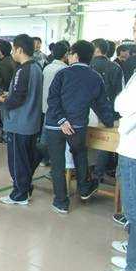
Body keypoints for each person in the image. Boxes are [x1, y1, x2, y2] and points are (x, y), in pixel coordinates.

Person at [46, 40, 114, 214]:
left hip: (55, 125)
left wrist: (62, 120)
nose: (68, 56)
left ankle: (61, 202)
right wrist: (109, 122)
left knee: (57, 164)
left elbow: (52, 99)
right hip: (77, 125)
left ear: (75, 55)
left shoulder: (62, 74)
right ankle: (84, 188)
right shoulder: (95, 77)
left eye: (70, 54)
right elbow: (102, 104)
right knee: (80, 153)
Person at [102, 13, 136, 271]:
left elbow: (123, 104)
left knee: (134, 210)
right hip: (133, 145)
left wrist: (121, 99)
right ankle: (133, 253)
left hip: (135, 149)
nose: (134, 33)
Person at [0, 34, 43, 205]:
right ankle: (26, 189)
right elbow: (25, 93)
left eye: (14, 49)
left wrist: (3, 100)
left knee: (17, 161)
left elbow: (17, 99)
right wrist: (11, 95)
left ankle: (19, 194)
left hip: (19, 123)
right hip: (31, 122)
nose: (12, 53)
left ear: (20, 50)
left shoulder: (23, 70)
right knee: (26, 159)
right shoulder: (37, 67)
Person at [91, 38, 124, 182]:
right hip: (107, 112)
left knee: (86, 141)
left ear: (97, 49)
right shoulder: (115, 67)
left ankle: (82, 173)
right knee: (103, 143)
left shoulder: (87, 65)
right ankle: (98, 174)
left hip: (87, 111)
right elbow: (120, 93)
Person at [37, 41, 68, 165]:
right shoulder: (65, 69)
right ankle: (48, 159)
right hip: (57, 108)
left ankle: (44, 159)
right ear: (65, 55)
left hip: (45, 106)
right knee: (54, 137)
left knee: (45, 132)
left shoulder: (47, 68)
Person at [0, 40, 17, 143]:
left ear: (1, 50)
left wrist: (1, 92)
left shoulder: (3, 63)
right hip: (10, 92)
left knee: (4, 115)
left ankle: (5, 136)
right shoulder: (12, 60)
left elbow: (5, 80)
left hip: (4, 93)